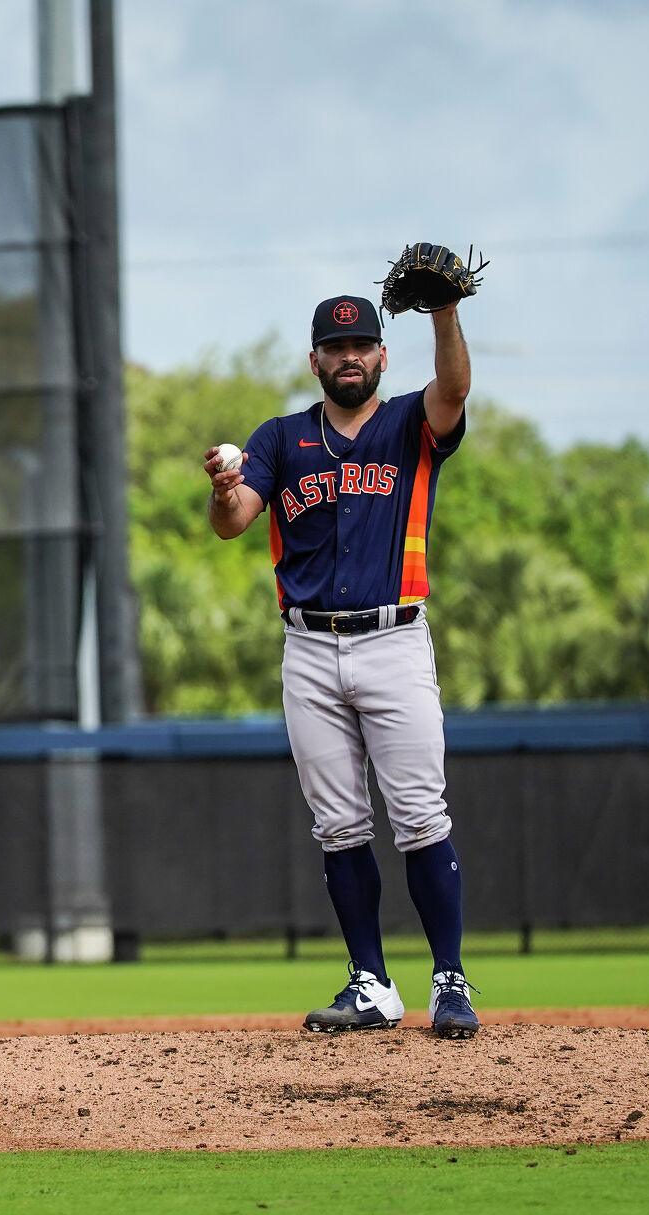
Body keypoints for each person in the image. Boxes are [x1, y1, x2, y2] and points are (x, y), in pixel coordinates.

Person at [203, 288, 477, 1039]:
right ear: (315, 358)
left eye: (361, 347)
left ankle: (448, 979)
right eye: (336, 347)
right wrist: (226, 490)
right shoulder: (282, 439)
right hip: (311, 647)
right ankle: (372, 984)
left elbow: (454, 390)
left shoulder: (409, 422)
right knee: (340, 826)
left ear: (382, 356)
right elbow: (234, 523)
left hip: (394, 638)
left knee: (421, 816)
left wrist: (445, 314)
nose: (349, 358)